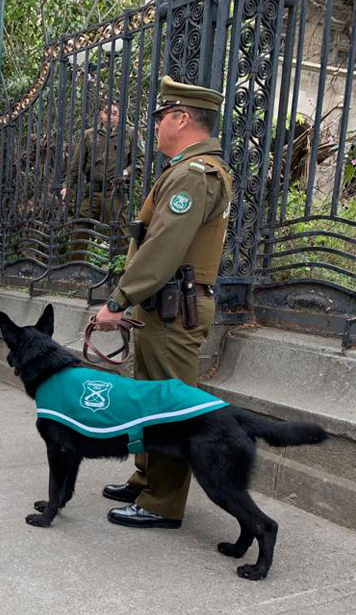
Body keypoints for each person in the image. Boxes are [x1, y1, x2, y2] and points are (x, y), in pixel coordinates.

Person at [95, 76, 232, 529]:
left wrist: (118, 300)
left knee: (170, 407)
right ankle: (146, 480)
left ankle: (162, 503)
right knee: (151, 401)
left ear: (181, 118)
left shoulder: (195, 175)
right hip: (164, 305)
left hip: (176, 306)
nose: (154, 126)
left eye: (159, 117)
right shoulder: (184, 170)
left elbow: (163, 249)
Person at [61, 100, 141, 258]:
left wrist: (125, 172)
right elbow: (75, 166)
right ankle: (75, 267)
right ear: (100, 114)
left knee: (119, 230)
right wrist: (67, 186)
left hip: (115, 191)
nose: (110, 116)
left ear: (120, 116)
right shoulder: (89, 135)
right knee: (80, 226)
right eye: (107, 112)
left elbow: (140, 162)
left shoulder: (130, 134)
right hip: (93, 191)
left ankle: (120, 270)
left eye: (115, 113)